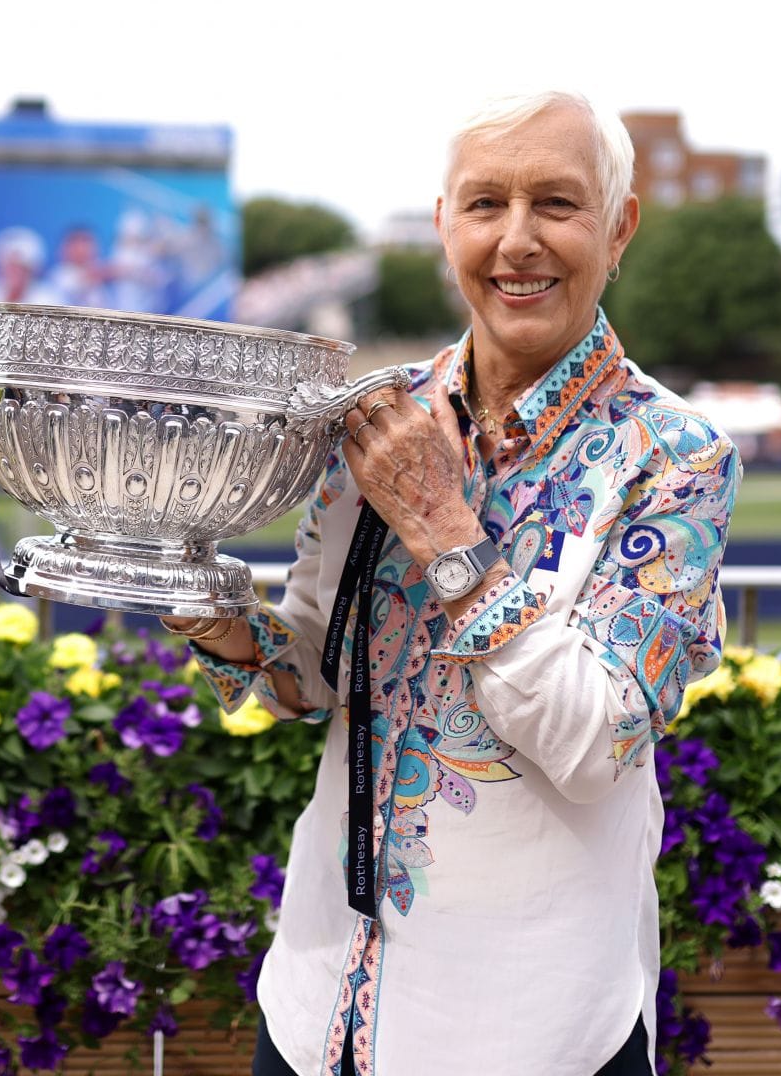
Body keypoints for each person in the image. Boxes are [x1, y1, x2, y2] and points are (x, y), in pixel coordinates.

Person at [163, 92, 741, 1076]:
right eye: (485, 204)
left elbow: (594, 743)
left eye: (556, 202)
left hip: (529, 1028)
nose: (517, 240)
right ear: (444, 226)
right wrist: (210, 612)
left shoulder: (676, 457)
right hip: (316, 1004)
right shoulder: (377, 420)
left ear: (619, 227)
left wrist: (444, 530)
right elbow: (314, 674)